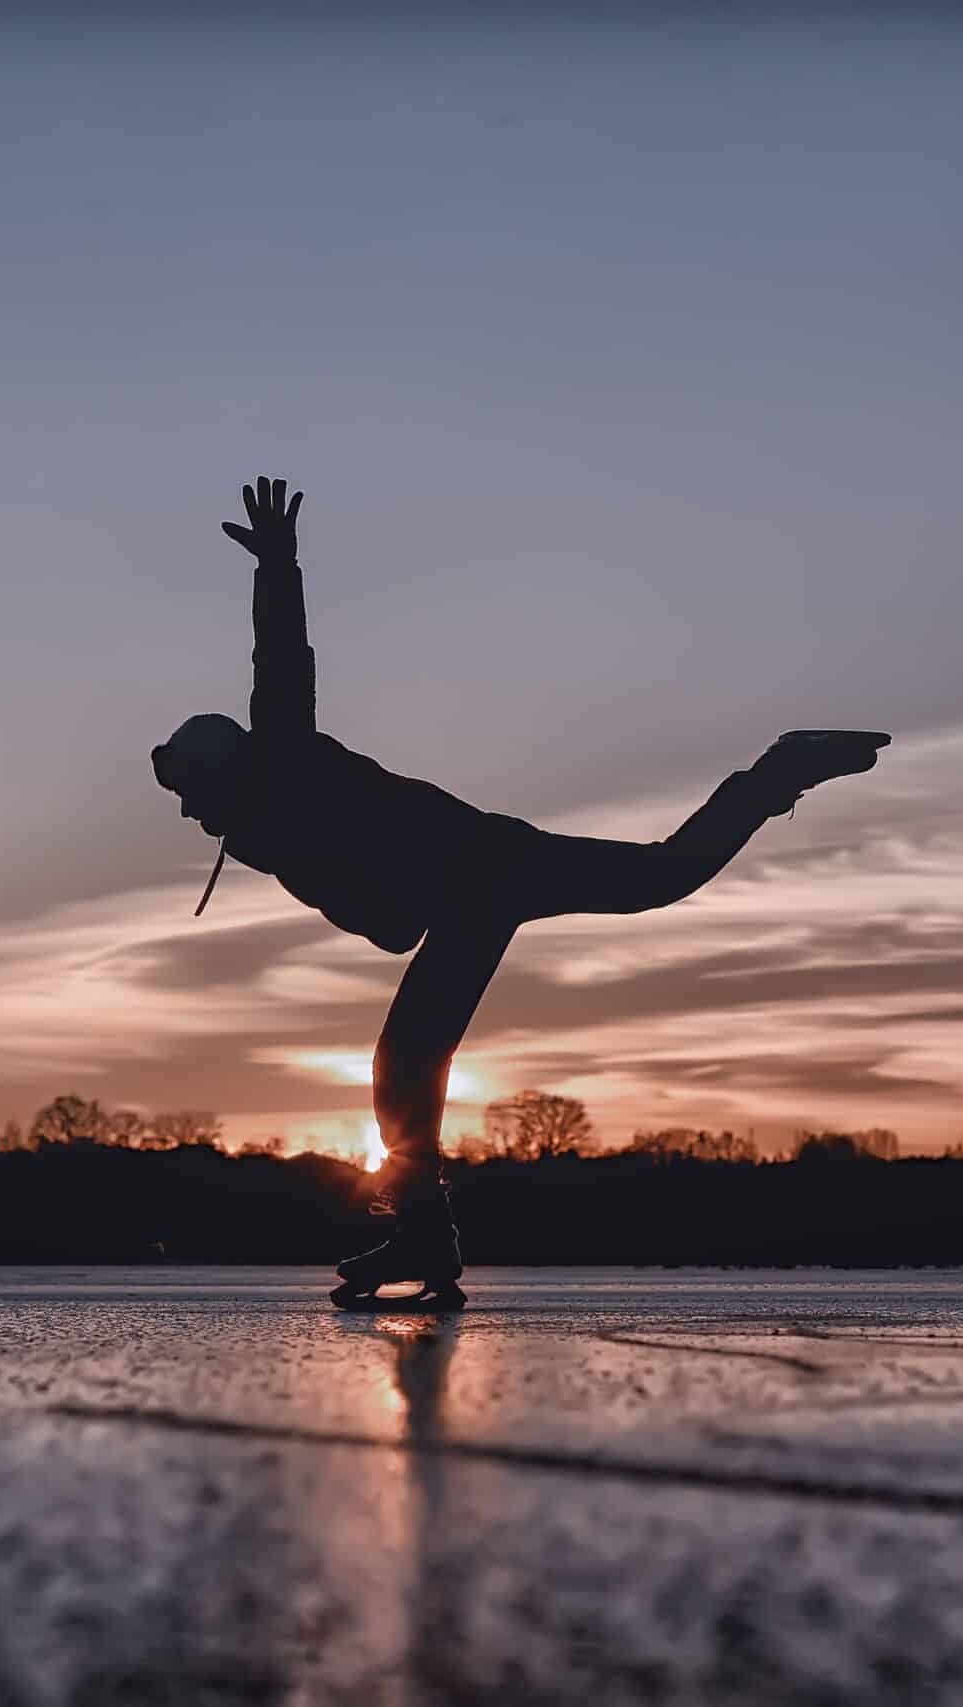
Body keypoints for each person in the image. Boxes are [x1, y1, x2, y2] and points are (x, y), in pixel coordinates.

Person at [153, 477, 888, 1307]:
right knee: (639, 890)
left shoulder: (281, 761)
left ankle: (780, 770)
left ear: (222, 771)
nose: (185, 808)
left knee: (428, 1043)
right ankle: (426, 1237)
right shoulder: (258, 829)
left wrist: (278, 564)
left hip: (479, 869)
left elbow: (281, 661)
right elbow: (382, 918)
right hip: (465, 887)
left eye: (187, 788)